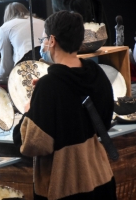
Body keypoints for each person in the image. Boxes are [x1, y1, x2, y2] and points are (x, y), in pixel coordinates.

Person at [13, 11, 117, 199]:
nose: (43, 43)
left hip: (65, 187)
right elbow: (105, 121)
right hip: (101, 178)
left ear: (52, 40)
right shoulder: (97, 74)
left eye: (44, 38)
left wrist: (29, 111)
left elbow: (32, 145)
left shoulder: (48, 86)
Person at [0, 2, 44, 86]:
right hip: (46, 59)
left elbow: (6, 62)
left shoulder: (5, 27)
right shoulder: (41, 21)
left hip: (27, 61)